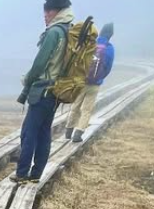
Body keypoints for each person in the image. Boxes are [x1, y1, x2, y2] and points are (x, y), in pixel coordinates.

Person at [13, 0, 75, 185]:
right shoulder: (68, 29)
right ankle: (36, 174)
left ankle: (22, 174)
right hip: (55, 92)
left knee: (28, 132)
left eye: (49, 12)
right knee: (44, 133)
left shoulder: (54, 32)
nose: (45, 16)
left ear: (58, 11)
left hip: (43, 91)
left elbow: (40, 63)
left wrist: (27, 79)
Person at [66, 23, 115, 143]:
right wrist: (99, 78)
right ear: (111, 35)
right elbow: (108, 68)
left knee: (76, 106)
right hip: (95, 84)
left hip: (82, 81)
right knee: (87, 110)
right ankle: (78, 133)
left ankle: (68, 131)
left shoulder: (91, 43)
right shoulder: (109, 48)